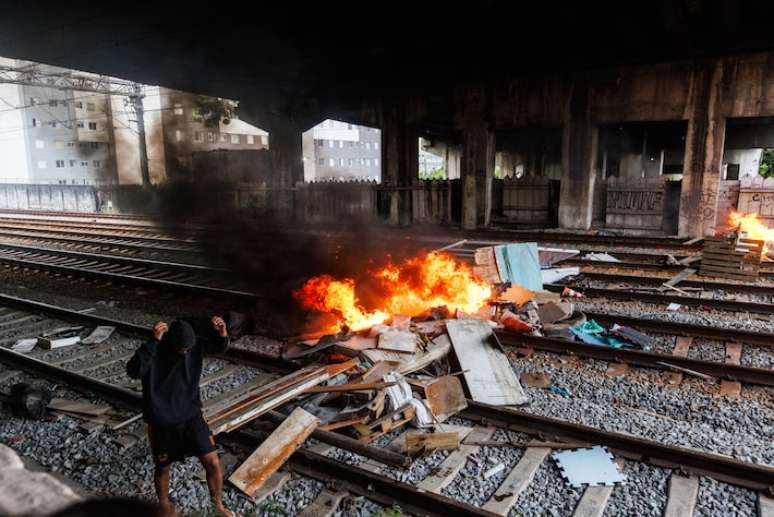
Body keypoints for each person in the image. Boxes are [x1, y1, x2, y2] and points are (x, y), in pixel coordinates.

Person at [126, 316, 232, 517]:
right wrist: (153, 341)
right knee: (163, 467)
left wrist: (222, 333)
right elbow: (133, 371)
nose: (185, 353)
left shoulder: (194, 345)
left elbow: (219, 347)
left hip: (190, 415)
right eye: (181, 349)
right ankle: (164, 505)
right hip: (161, 420)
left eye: (188, 349)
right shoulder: (155, 349)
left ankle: (217, 506)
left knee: (212, 462)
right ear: (170, 343)